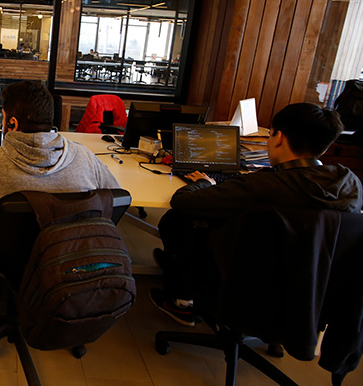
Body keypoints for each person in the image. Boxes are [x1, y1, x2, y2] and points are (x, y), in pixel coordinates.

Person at [151, 103, 362, 327]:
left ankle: (183, 300)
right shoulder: (350, 184)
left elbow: (183, 202)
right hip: (312, 288)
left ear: (279, 138)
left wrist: (204, 182)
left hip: (246, 282)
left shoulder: (261, 186)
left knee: (179, 220)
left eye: (270, 135)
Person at [0, 80, 121, 276]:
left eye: (2, 119)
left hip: (5, 273)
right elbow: (116, 194)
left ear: (12, 123)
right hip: (66, 268)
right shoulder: (85, 156)